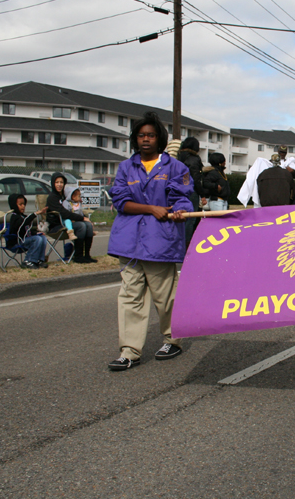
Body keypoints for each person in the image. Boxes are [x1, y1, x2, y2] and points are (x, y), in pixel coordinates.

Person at [107, 112, 193, 371]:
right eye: (141, 135)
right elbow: (121, 202)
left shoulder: (176, 168)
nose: (146, 140)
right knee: (130, 296)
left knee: (165, 297)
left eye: (151, 135)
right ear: (135, 139)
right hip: (129, 242)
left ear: (159, 139)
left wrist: (179, 211)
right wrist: (151, 208)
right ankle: (129, 350)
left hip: (160, 242)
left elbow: (183, 198)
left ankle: (173, 339)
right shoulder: (125, 167)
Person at [46, 172, 95, 263]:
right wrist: (82, 218)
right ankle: (78, 256)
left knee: (88, 225)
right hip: (56, 225)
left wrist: (84, 217)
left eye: (61, 182)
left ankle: (87, 255)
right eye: (57, 182)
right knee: (81, 225)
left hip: (68, 223)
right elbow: (64, 213)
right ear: (53, 183)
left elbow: (74, 210)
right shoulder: (52, 198)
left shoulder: (64, 195)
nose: (59, 184)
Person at [176, 136, 205, 250]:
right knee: (190, 219)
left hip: (177, 191)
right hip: (191, 191)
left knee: (179, 218)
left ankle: (178, 245)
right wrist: (202, 194)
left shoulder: (177, 158)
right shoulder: (193, 159)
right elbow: (196, 179)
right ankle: (186, 246)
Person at [6, 193, 48, 269]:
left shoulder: (23, 216)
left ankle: (39, 259)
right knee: (37, 239)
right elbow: (22, 224)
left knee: (42, 237)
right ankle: (28, 260)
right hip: (16, 242)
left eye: (24, 204)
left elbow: (26, 231)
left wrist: (36, 233)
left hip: (25, 239)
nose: (23, 206)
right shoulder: (15, 217)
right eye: (20, 204)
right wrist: (36, 214)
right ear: (14, 205)